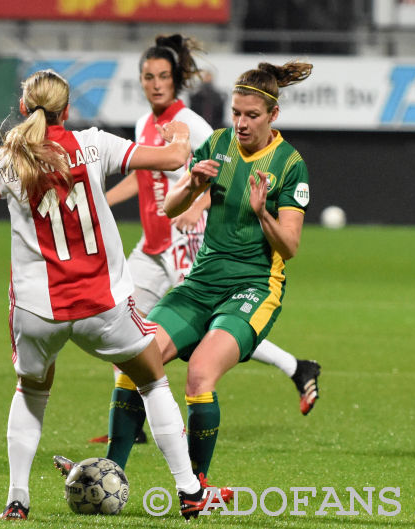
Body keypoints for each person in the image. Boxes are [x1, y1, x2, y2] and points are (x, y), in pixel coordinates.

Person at [0, 69, 213, 521]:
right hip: (101, 303)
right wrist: (178, 131)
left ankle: (17, 499)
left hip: (38, 309)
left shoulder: (6, 158)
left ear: (24, 108)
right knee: (152, 379)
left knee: (31, 391)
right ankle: (188, 489)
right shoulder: (94, 143)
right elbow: (175, 156)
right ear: (67, 109)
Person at [89, 37, 320, 461]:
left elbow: (289, 247)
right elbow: (168, 203)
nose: (242, 123)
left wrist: (261, 213)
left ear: (273, 114)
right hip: (201, 280)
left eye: (252, 116)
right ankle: (112, 472)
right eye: (236, 113)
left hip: (252, 287)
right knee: (134, 359)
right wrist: (194, 186)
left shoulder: (290, 164)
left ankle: (197, 487)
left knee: (198, 375)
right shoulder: (216, 142)